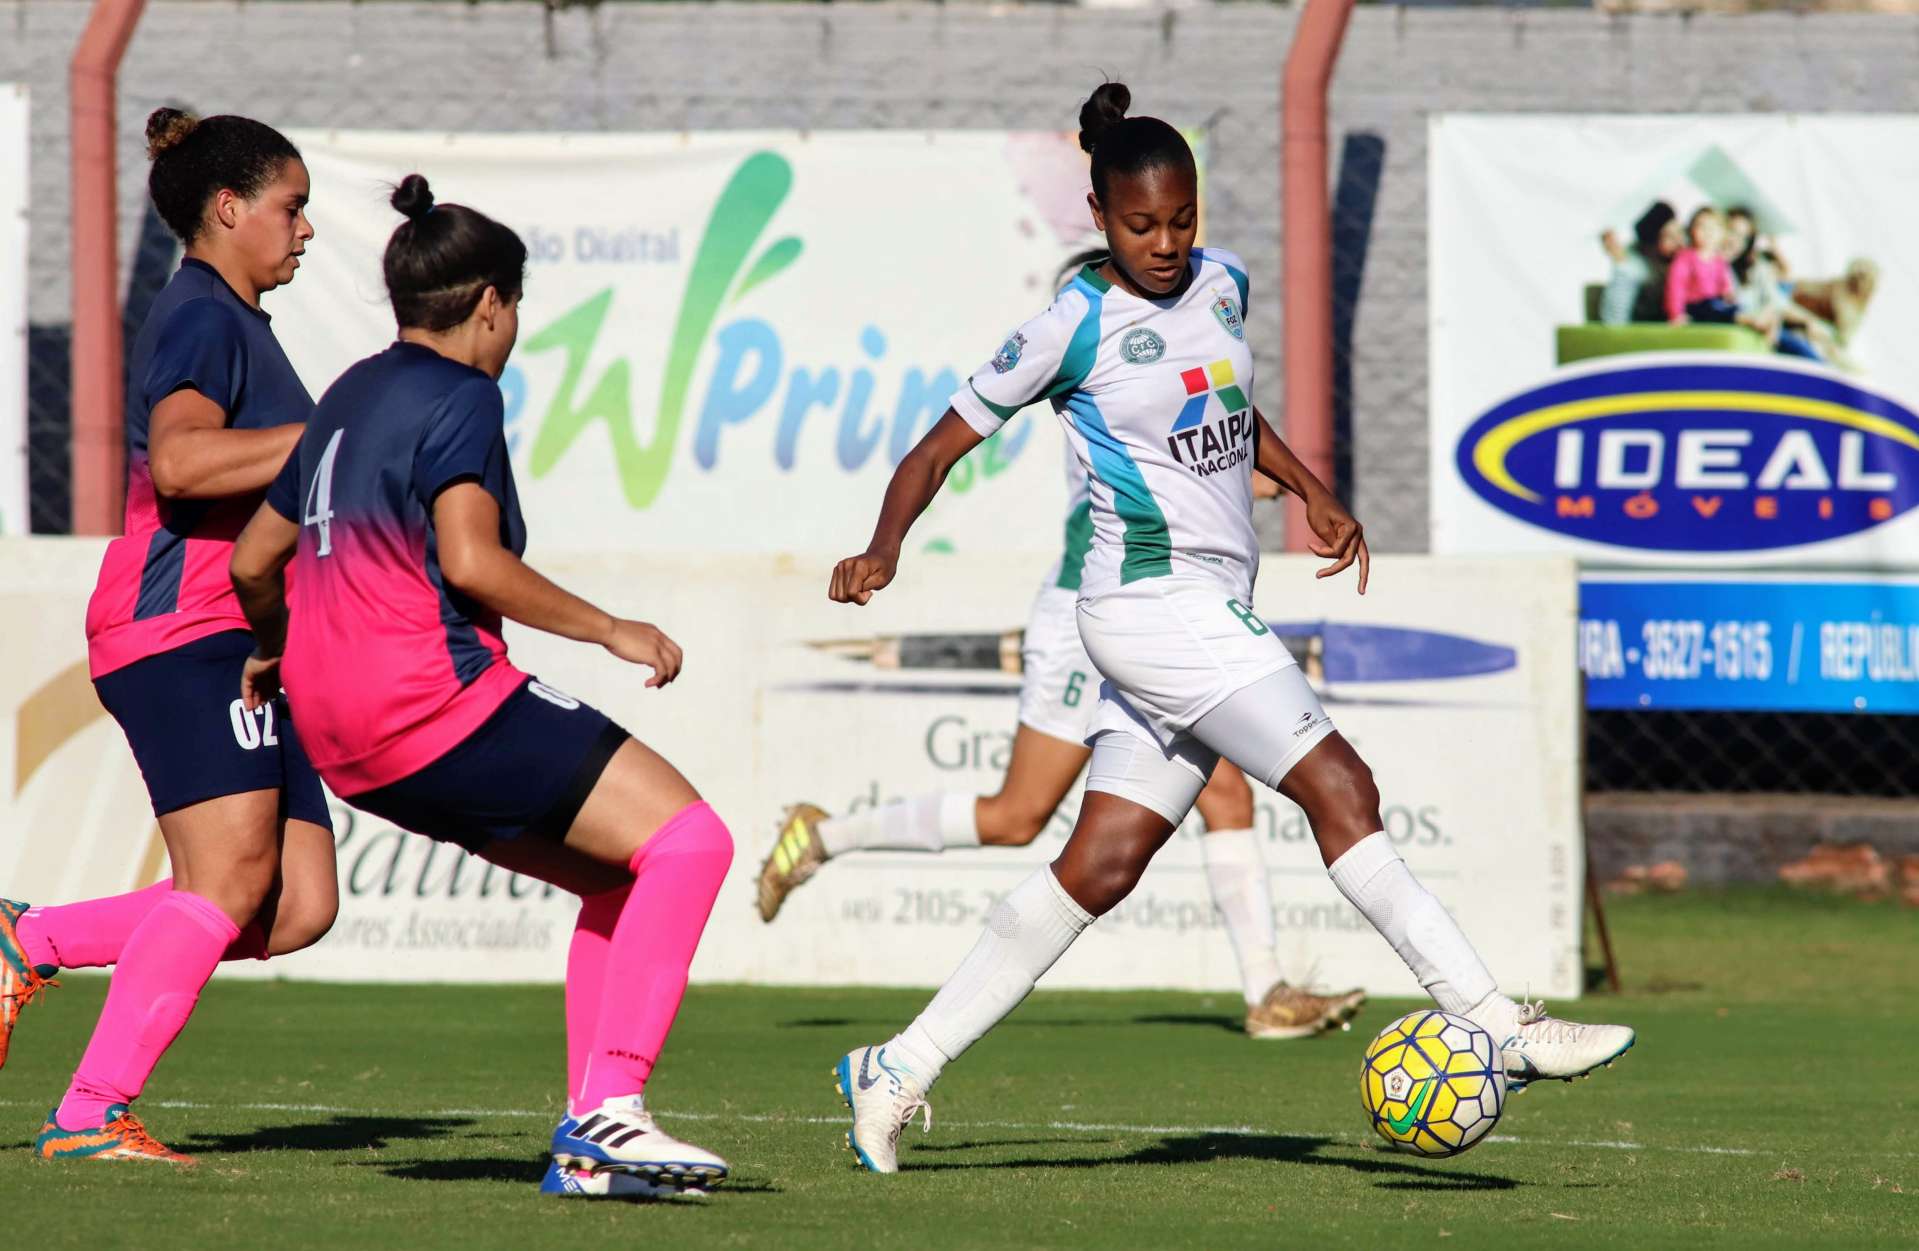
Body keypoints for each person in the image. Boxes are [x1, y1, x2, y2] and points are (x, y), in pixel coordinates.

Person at [824, 82, 1636, 1174]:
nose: (1164, 244)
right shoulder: (1072, 326)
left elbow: (1230, 412)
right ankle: (1492, 1020)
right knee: (1339, 787)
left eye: (1180, 220)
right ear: (1097, 218)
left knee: (1099, 865)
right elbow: (934, 451)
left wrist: (1308, 488)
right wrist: (883, 548)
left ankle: (897, 1065)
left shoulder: (1222, 285)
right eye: (1138, 225)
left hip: (1206, 607)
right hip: (1149, 608)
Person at [227, 175, 733, 1201]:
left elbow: (251, 563)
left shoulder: (349, 394)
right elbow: (470, 561)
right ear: (491, 303)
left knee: (614, 877)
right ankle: (613, 1109)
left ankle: (591, 1151)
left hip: (344, 739)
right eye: (515, 314)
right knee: (691, 842)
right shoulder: (461, 393)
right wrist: (609, 626)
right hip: (431, 704)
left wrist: (286, 645)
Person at [758, 393, 1365, 1041]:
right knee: (1016, 815)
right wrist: (1278, 479)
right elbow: (1193, 471)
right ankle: (824, 836)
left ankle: (1265, 990)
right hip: (1090, 611)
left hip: (1156, 611)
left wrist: (1285, 480)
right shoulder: (1108, 366)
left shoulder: (1167, 353)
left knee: (1224, 791)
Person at [4, 109, 338, 1166]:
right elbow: (187, 466)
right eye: (291, 208)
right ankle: (90, 1113)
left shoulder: (241, 325)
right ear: (227, 210)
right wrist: (344, 428)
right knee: (231, 881)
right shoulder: (199, 313)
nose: (305, 230)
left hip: (246, 637)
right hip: (179, 622)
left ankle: (30, 939)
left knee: (295, 905)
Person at [1598, 200, 1679, 326]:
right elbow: (1615, 320)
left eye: (1679, 234)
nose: (1678, 242)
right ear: (1655, 239)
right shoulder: (1636, 267)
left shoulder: (1678, 260)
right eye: (1669, 236)